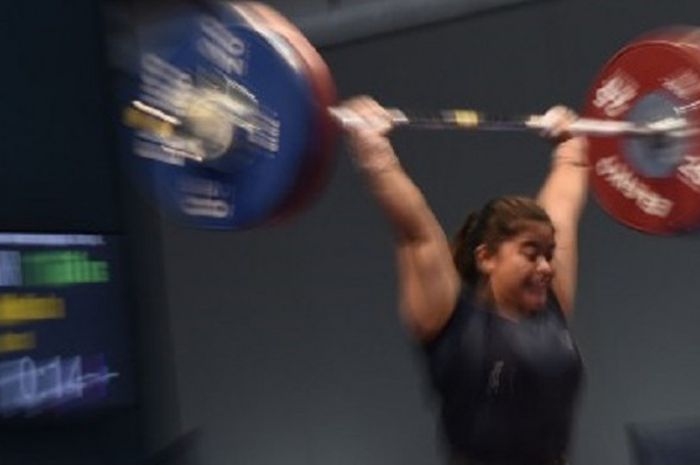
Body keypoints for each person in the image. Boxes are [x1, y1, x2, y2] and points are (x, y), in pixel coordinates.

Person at [341, 96, 589, 465]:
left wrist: (572, 144)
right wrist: (375, 154)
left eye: (549, 254)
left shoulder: (551, 306)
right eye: (530, 253)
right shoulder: (449, 320)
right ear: (486, 258)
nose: (546, 267)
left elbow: (564, 209)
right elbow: (416, 232)